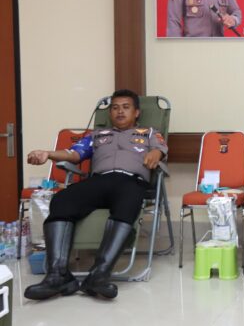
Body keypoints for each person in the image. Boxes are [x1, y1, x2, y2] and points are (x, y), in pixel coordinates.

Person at [24, 89, 168, 300]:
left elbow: (161, 149)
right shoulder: (97, 135)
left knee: (129, 201)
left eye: (126, 107)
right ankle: (58, 275)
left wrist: (155, 153)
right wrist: (48, 154)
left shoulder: (149, 133)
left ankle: (98, 275)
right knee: (62, 200)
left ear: (136, 112)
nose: (120, 112)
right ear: (110, 113)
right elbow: (74, 154)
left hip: (130, 181)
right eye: (115, 108)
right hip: (99, 180)